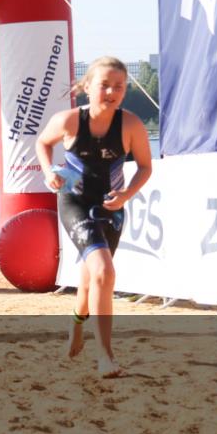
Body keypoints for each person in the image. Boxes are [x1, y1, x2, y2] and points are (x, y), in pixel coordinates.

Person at [36, 56, 152, 378]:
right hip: (74, 201)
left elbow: (145, 167)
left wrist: (126, 194)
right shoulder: (69, 120)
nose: (111, 92)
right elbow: (43, 143)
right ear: (87, 87)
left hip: (110, 207)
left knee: (94, 279)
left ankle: (76, 322)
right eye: (104, 85)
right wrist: (48, 172)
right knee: (103, 271)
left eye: (119, 87)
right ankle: (106, 357)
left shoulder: (130, 125)